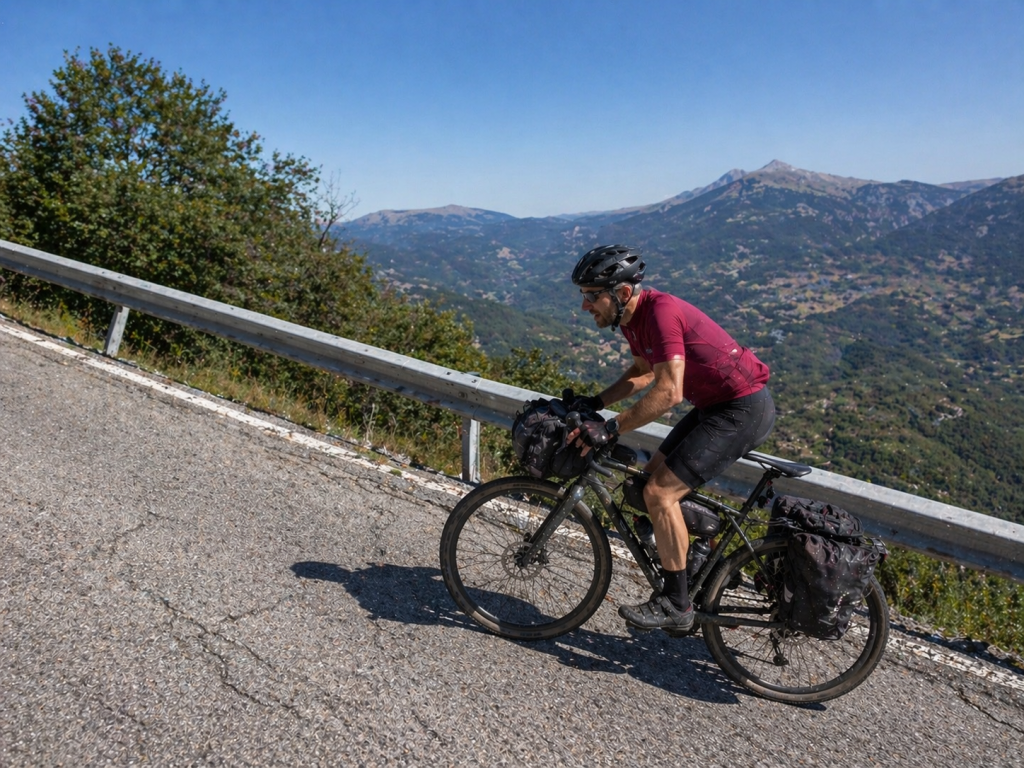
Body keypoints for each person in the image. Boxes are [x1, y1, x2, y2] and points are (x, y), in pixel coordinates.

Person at [565, 244, 776, 632]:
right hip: (715, 406)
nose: (585, 307)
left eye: (592, 297)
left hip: (742, 408)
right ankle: (707, 566)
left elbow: (668, 392)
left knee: (660, 494)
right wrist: (595, 401)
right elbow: (644, 372)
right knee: (647, 485)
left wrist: (610, 427)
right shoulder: (632, 319)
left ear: (622, 293)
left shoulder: (661, 313)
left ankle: (677, 605)